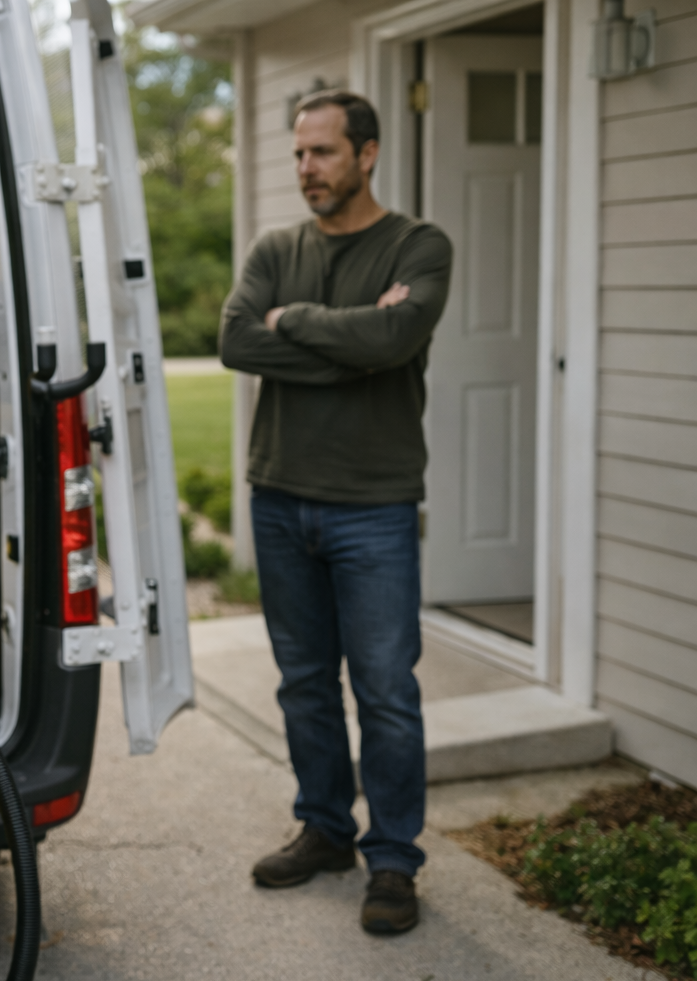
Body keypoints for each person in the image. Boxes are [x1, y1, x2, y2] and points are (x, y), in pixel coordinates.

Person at [218, 89, 453, 935]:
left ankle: (393, 862)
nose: (306, 169)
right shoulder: (276, 246)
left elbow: (392, 345)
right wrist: (348, 346)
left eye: (321, 152)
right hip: (280, 496)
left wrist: (300, 326)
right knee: (305, 684)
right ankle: (325, 828)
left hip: (373, 506)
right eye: (298, 154)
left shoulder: (419, 245)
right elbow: (237, 342)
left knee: (386, 691)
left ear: (367, 154)